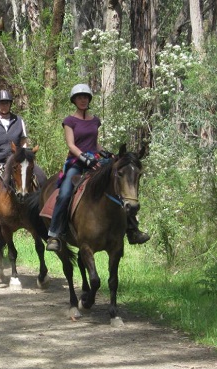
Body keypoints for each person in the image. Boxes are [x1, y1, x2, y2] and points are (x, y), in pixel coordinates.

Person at [45, 84, 150, 252]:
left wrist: (106, 153)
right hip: (76, 163)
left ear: (89, 99)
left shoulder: (95, 120)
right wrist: (84, 158)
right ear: (74, 101)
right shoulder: (69, 121)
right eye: (80, 97)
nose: (83, 100)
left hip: (95, 161)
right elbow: (71, 145)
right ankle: (55, 234)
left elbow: (95, 143)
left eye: (85, 97)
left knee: (117, 185)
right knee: (64, 193)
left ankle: (132, 229)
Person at [0, 89, 47, 230]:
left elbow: (23, 141)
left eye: (7, 103)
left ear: (10, 105)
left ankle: (44, 211)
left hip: (17, 160)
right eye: (1, 104)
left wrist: (24, 154)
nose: (4, 106)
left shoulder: (19, 120)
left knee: (41, 175)